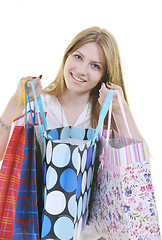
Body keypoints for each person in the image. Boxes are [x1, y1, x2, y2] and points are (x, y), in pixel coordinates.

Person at [0, 26, 146, 239]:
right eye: (78, 57)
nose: (81, 70)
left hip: (90, 234)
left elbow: (139, 170)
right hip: (32, 228)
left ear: (104, 74)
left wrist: (120, 109)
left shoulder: (104, 119)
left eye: (94, 65)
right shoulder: (40, 105)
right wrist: (15, 103)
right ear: (66, 56)